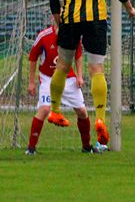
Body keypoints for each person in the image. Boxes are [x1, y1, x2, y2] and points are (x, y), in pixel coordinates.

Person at [48, 0, 135, 147]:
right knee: (96, 68)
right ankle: (100, 118)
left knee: (62, 65)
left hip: (70, 20)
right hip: (95, 21)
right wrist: (129, 8)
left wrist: (59, 21)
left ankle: (55, 110)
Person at [25, 20, 104, 155]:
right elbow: (33, 57)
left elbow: (78, 56)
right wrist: (31, 82)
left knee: (82, 111)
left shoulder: (73, 34)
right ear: (52, 17)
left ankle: (87, 147)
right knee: (44, 109)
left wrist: (79, 76)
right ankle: (31, 149)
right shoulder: (44, 36)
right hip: (48, 79)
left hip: (68, 78)